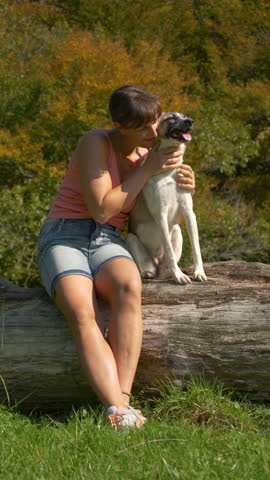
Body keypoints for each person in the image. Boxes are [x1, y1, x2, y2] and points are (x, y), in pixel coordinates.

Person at [37, 85, 195, 431]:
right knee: (81, 307)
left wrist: (184, 190)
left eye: (155, 121)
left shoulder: (153, 154)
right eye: (142, 127)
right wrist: (147, 170)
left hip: (108, 238)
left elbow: (163, 217)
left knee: (128, 286)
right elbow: (100, 208)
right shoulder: (97, 142)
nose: (153, 131)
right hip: (66, 233)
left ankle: (120, 404)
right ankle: (117, 407)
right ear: (119, 125)